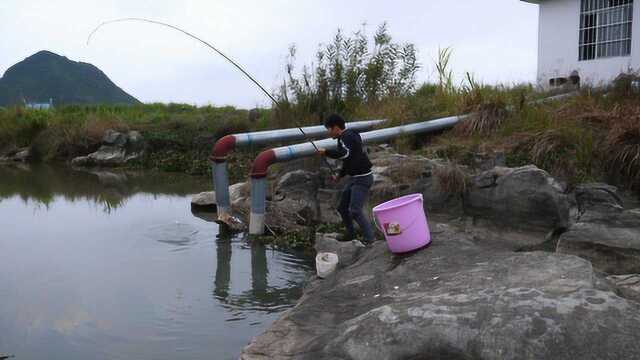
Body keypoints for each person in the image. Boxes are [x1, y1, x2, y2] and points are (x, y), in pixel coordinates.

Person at [318, 114, 375, 245]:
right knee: (342, 207)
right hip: (355, 178)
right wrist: (340, 176)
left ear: (336, 127)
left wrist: (326, 152)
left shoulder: (346, 136)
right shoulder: (347, 137)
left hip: (362, 178)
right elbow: (348, 160)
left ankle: (370, 240)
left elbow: (346, 153)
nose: (328, 132)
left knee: (355, 210)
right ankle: (350, 234)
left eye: (329, 129)